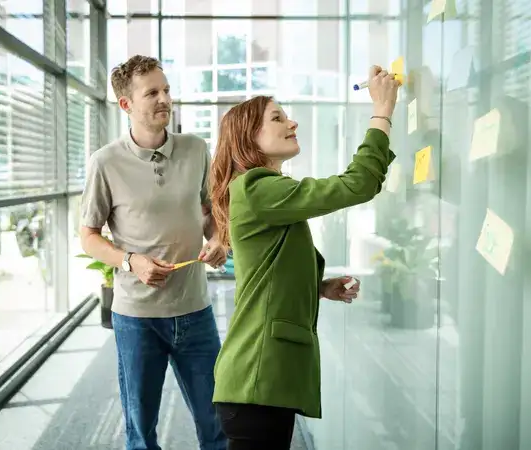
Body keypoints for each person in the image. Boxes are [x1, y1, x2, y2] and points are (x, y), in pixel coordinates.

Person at [208, 65, 402, 449]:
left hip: (259, 383)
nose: (291, 122)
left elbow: (266, 272)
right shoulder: (256, 187)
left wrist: (317, 286)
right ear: (250, 138)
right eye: (277, 118)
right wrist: (382, 111)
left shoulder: (261, 191)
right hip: (256, 380)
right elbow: (356, 184)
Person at [80, 54, 228, 450]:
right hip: (137, 318)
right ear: (126, 104)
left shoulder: (197, 149)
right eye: (152, 93)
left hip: (196, 310)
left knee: (218, 423)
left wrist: (217, 239)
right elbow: (89, 237)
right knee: (140, 432)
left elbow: (210, 210)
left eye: (166, 90)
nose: (164, 99)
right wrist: (131, 262)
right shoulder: (105, 163)